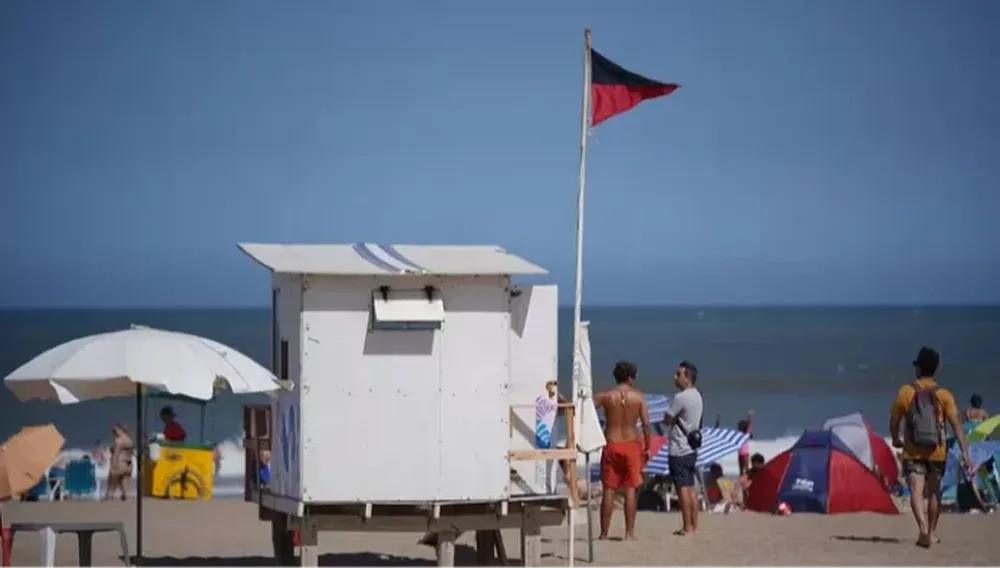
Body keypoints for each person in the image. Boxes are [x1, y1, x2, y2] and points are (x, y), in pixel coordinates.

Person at [890, 346, 971, 549]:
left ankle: (923, 529)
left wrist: (896, 438)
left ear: (918, 368)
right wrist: (965, 452)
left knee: (916, 491)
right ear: (936, 369)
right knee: (934, 491)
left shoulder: (906, 392)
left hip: (913, 450)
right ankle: (932, 533)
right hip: (937, 451)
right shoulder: (944, 395)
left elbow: (894, 420)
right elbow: (956, 425)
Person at [593, 361, 651, 541]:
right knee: (630, 490)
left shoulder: (606, 396)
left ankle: (604, 533)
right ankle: (629, 533)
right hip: (632, 445)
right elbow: (646, 425)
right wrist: (648, 447)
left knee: (609, 489)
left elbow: (584, 409)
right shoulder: (638, 397)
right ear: (631, 378)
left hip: (612, 443)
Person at [663, 360, 704, 536]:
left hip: (678, 448)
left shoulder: (680, 397)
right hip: (691, 449)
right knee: (691, 488)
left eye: (679, 374)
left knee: (682, 489)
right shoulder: (698, 396)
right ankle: (694, 526)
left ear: (688, 378)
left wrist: (671, 417)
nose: (675, 377)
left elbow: (667, 419)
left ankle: (687, 526)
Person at [106, 423, 134, 501]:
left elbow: (116, 454)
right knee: (126, 489)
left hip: (119, 463)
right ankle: (127, 503)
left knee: (111, 487)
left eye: (115, 430)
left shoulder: (119, 441)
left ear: (120, 430)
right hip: (128, 464)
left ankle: (108, 501)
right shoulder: (129, 439)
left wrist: (113, 465)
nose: (114, 432)